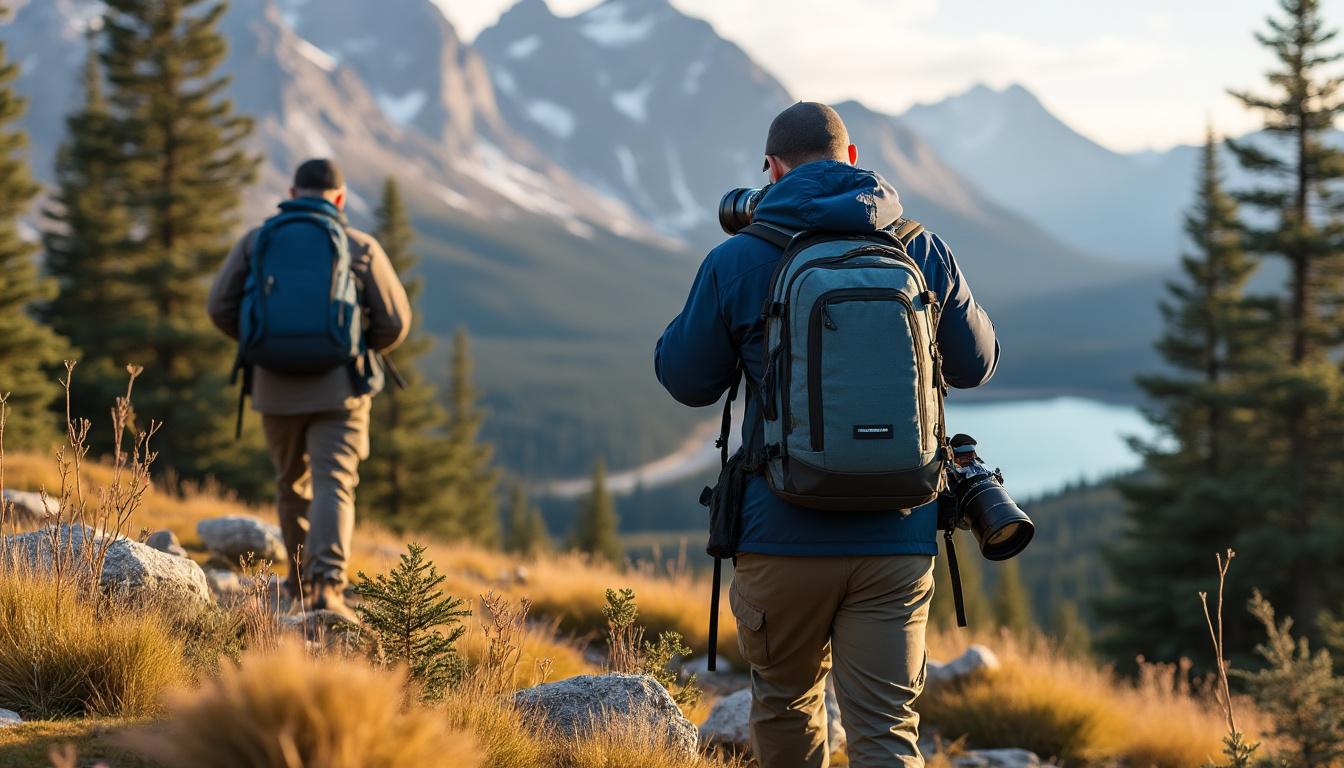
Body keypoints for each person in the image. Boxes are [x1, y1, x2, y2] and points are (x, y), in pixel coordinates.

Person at [654, 102, 998, 767]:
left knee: (785, 702)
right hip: (896, 536)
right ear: (851, 157)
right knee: (887, 730)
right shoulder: (920, 247)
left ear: (772, 168)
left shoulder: (739, 258)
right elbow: (978, 364)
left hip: (779, 533)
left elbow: (685, 378)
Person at [208, 158, 411, 621]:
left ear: (292, 191)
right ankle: (326, 588)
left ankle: (297, 585)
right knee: (334, 484)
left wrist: (263, 346)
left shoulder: (257, 241)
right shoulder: (359, 246)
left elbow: (219, 307)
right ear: (339, 198)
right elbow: (396, 321)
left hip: (274, 388)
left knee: (290, 485)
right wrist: (357, 348)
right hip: (340, 390)